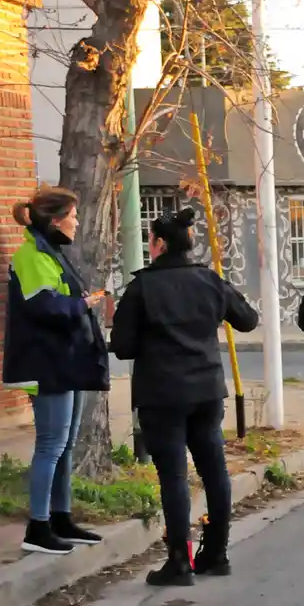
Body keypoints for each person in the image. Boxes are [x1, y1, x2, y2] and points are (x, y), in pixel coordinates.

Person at [109, 208, 259, 586]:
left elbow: (123, 346)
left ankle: (179, 561)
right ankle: (217, 553)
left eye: (150, 240)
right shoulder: (209, 280)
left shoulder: (142, 288)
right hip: (207, 390)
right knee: (214, 471)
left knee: (174, 476)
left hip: (162, 394)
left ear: (158, 244)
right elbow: (248, 320)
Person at [3, 187, 111, 555]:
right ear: (54, 220)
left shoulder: (53, 253)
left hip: (66, 361)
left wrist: (81, 302)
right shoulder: (30, 255)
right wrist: (83, 304)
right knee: (50, 445)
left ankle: (60, 517)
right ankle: (37, 527)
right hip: (46, 364)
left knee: (64, 446)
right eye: (73, 215)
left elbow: (61, 301)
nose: (77, 222)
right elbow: (46, 307)